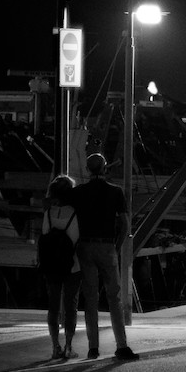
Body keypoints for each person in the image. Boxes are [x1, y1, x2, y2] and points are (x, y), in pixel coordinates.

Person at [71, 153, 139, 361]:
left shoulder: (79, 192)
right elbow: (125, 224)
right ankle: (121, 345)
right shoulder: (115, 191)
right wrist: (116, 247)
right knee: (114, 297)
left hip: (85, 246)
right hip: (107, 245)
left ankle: (93, 347)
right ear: (105, 168)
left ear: (88, 169)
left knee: (90, 298)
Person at [40, 174, 82, 360]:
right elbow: (76, 240)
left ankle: (55, 346)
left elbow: (44, 237)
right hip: (72, 266)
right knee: (70, 305)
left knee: (53, 305)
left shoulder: (48, 214)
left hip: (51, 267)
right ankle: (69, 346)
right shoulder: (75, 214)